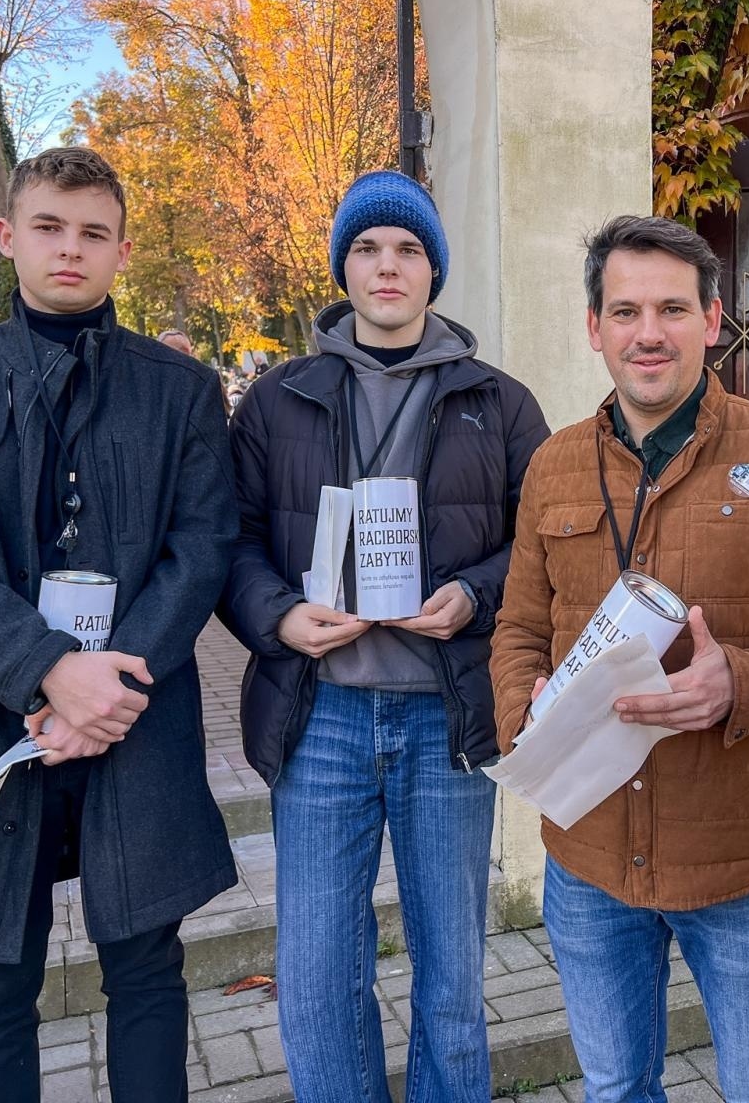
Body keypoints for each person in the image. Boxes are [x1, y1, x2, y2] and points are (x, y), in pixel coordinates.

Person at [0, 147, 238, 1102]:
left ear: (120, 252)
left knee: (149, 971)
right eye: (49, 227)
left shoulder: (181, 390)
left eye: (92, 233)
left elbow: (198, 551)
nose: (70, 249)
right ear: (9, 236)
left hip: (135, 718)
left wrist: (105, 687)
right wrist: (45, 670)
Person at [490, 216, 749, 1103]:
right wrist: (523, 718)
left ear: (713, 320)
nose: (648, 332)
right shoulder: (552, 465)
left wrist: (745, 682)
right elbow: (518, 628)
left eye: (672, 309)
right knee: (615, 1090)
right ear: (594, 327)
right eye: (625, 311)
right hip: (588, 859)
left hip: (740, 862)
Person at [219, 169, 548, 1102]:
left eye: (408, 249)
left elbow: (543, 543)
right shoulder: (278, 400)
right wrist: (277, 615)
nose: (387, 266)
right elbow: (230, 541)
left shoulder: (500, 401)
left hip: (447, 722)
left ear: (433, 269)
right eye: (367, 248)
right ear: (342, 267)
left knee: (452, 981)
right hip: (317, 717)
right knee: (320, 982)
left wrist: (474, 597)